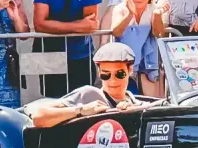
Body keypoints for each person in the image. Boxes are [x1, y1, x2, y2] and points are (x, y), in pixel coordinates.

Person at [22, 42, 153, 128]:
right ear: (99, 72)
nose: (112, 81)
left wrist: (132, 113)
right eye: (106, 75)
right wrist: (80, 111)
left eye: (119, 74)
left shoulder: (135, 102)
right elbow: (39, 117)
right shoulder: (90, 94)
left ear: (129, 70)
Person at [33, 0, 102, 96]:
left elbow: (90, 25)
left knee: (83, 101)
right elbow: (39, 24)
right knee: (53, 102)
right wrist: (77, 26)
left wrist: (54, 26)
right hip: (50, 53)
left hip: (80, 53)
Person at [108, 0, 165, 96]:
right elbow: (116, 32)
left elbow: (158, 33)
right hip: (124, 61)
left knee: (151, 98)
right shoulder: (120, 9)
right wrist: (129, 14)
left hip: (147, 61)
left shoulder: (153, 8)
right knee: (129, 95)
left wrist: (157, 16)